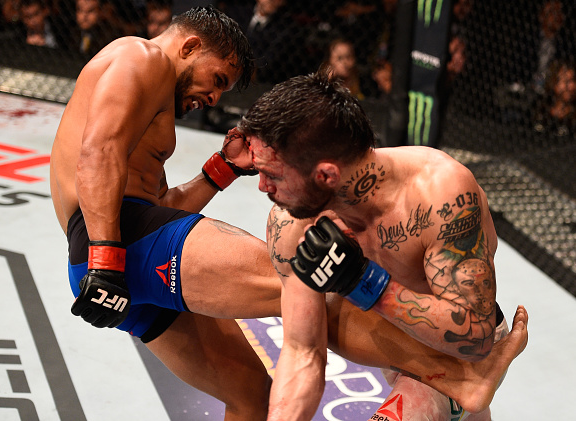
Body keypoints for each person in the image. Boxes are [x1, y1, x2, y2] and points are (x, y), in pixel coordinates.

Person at [51, 6, 528, 419]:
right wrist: (106, 259)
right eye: (218, 79)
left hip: (119, 252)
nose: (214, 99)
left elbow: (160, 211)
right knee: (313, 288)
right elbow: (99, 154)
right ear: (191, 45)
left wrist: (219, 172)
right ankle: (461, 376)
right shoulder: (145, 56)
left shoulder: (439, 188)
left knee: (250, 394)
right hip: (111, 247)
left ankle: (457, 376)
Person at [238, 70, 528, 420]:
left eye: (274, 175)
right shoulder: (292, 223)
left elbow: (476, 336)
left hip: (456, 356)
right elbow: (302, 350)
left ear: (326, 175)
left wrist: (364, 282)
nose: (263, 187)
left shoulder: (440, 195)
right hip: (392, 346)